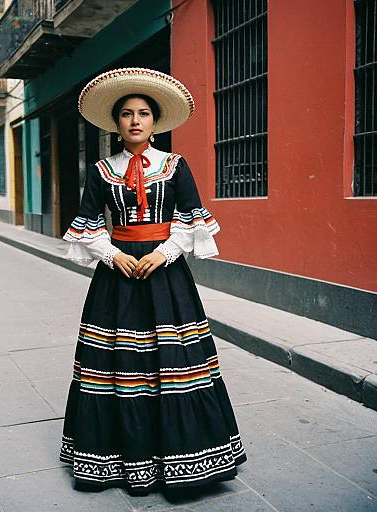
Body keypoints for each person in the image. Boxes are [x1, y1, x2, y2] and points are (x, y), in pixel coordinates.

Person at [59, 68, 247, 495]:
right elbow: (87, 224)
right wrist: (113, 255)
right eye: (126, 114)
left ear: (155, 122)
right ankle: (120, 463)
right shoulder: (102, 170)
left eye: (144, 113)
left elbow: (191, 218)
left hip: (166, 277)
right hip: (119, 278)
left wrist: (163, 253)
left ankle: (183, 461)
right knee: (118, 365)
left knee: (174, 362)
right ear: (117, 122)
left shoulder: (175, 166)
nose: (135, 120)